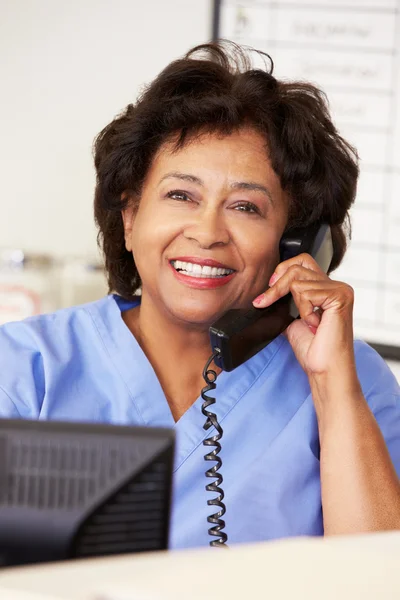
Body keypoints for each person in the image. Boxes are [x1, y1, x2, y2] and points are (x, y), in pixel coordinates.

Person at [0, 42, 399, 549]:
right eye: (181, 195)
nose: (207, 231)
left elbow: (379, 579)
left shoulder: (353, 378)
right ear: (129, 217)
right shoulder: (22, 369)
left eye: (247, 207)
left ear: (293, 242)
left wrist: (332, 389)